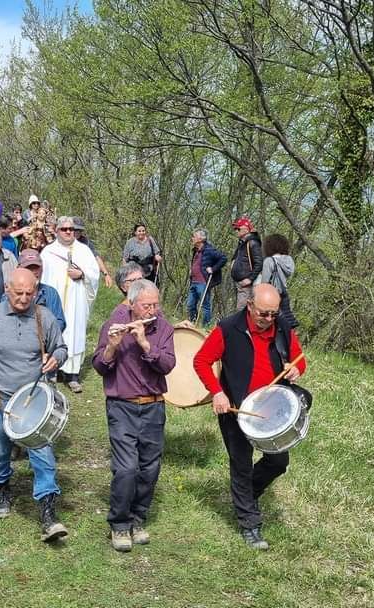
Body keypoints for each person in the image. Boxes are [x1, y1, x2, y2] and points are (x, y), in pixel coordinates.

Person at [192, 284, 308, 550]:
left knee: (278, 461)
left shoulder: (282, 328)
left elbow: (299, 358)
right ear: (250, 306)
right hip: (237, 408)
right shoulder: (228, 328)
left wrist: (295, 369)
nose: (269, 319)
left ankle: (246, 495)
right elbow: (201, 361)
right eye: (264, 314)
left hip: (271, 409)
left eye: (273, 314)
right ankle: (249, 524)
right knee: (241, 463)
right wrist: (217, 393)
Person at [0, 268, 70, 542]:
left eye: (29, 293)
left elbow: (61, 347)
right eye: (18, 293)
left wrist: (57, 358)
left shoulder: (43, 317)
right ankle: (2, 487)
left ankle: (48, 513)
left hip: (34, 403)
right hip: (1, 401)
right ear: (6, 290)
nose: (23, 299)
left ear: (36, 292)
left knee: (43, 456)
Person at [91, 280, 175, 552]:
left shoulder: (163, 328)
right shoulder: (112, 325)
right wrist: (113, 347)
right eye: (146, 305)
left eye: (155, 304)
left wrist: (144, 343)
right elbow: (100, 367)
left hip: (153, 405)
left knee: (150, 468)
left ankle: (138, 518)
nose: (153, 309)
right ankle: (119, 524)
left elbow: (168, 364)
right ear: (132, 304)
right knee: (126, 467)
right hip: (122, 406)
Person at [40, 216, 100, 393]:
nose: (68, 232)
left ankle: (72, 375)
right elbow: (41, 277)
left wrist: (81, 274)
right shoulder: (48, 252)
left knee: (74, 333)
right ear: (57, 231)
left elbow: (94, 274)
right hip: (54, 301)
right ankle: (53, 370)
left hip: (76, 301)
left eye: (71, 229)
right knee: (53, 332)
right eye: (64, 229)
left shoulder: (84, 251)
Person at [5, 249, 65, 331]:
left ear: (42, 268)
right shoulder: (8, 294)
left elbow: (60, 322)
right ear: (19, 269)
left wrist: (44, 334)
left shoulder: (51, 293)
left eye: (37, 268)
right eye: (29, 268)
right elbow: (4, 322)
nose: (34, 272)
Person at [255, 233, 298, 328]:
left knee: (272, 319)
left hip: (272, 293)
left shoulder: (269, 261)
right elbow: (289, 273)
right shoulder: (289, 260)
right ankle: (289, 330)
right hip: (284, 291)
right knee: (287, 313)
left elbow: (264, 283)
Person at [187, 228, 228, 327]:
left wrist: (213, 269)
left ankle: (205, 326)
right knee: (190, 304)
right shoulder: (196, 250)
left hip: (203, 282)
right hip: (194, 281)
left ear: (201, 238)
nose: (192, 238)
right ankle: (193, 323)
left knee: (205, 305)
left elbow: (223, 258)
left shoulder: (209, 250)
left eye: (194, 236)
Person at [229, 216, 263, 309]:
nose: (236, 231)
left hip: (247, 284)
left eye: (238, 228)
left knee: (242, 310)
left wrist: (250, 279)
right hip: (240, 283)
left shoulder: (252, 243)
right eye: (235, 229)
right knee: (242, 310)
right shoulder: (242, 243)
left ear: (246, 229)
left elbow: (259, 263)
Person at [73, 217, 114, 290]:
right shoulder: (62, 242)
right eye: (75, 229)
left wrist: (106, 274)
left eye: (80, 230)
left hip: (82, 277)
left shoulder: (86, 242)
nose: (78, 232)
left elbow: (96, 257)